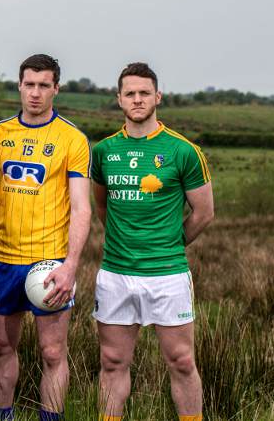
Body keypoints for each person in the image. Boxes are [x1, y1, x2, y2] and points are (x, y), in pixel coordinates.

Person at [91, 63, 213, 421]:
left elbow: (203, 213)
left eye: (144, 92)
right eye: (130, 93)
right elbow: (102, 206)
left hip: (167, 274)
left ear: (158, 97)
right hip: (116, 273)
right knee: (112, 362)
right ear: (119, 99)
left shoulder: (182, 151)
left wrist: (170, 245)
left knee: (182, 361)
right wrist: (124, 242)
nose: (138, 99)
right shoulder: (104, 151)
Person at [0, 54, 92, 421]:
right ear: (19, 86)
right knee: (0, 347)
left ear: (55, 89)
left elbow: (81, 208)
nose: (35, 92)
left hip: (50, 263)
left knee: (52, 353)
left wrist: (71, 266)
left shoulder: (72, 139)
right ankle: (2, 416)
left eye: (43, 85)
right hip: (1, 260)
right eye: (29, 84)